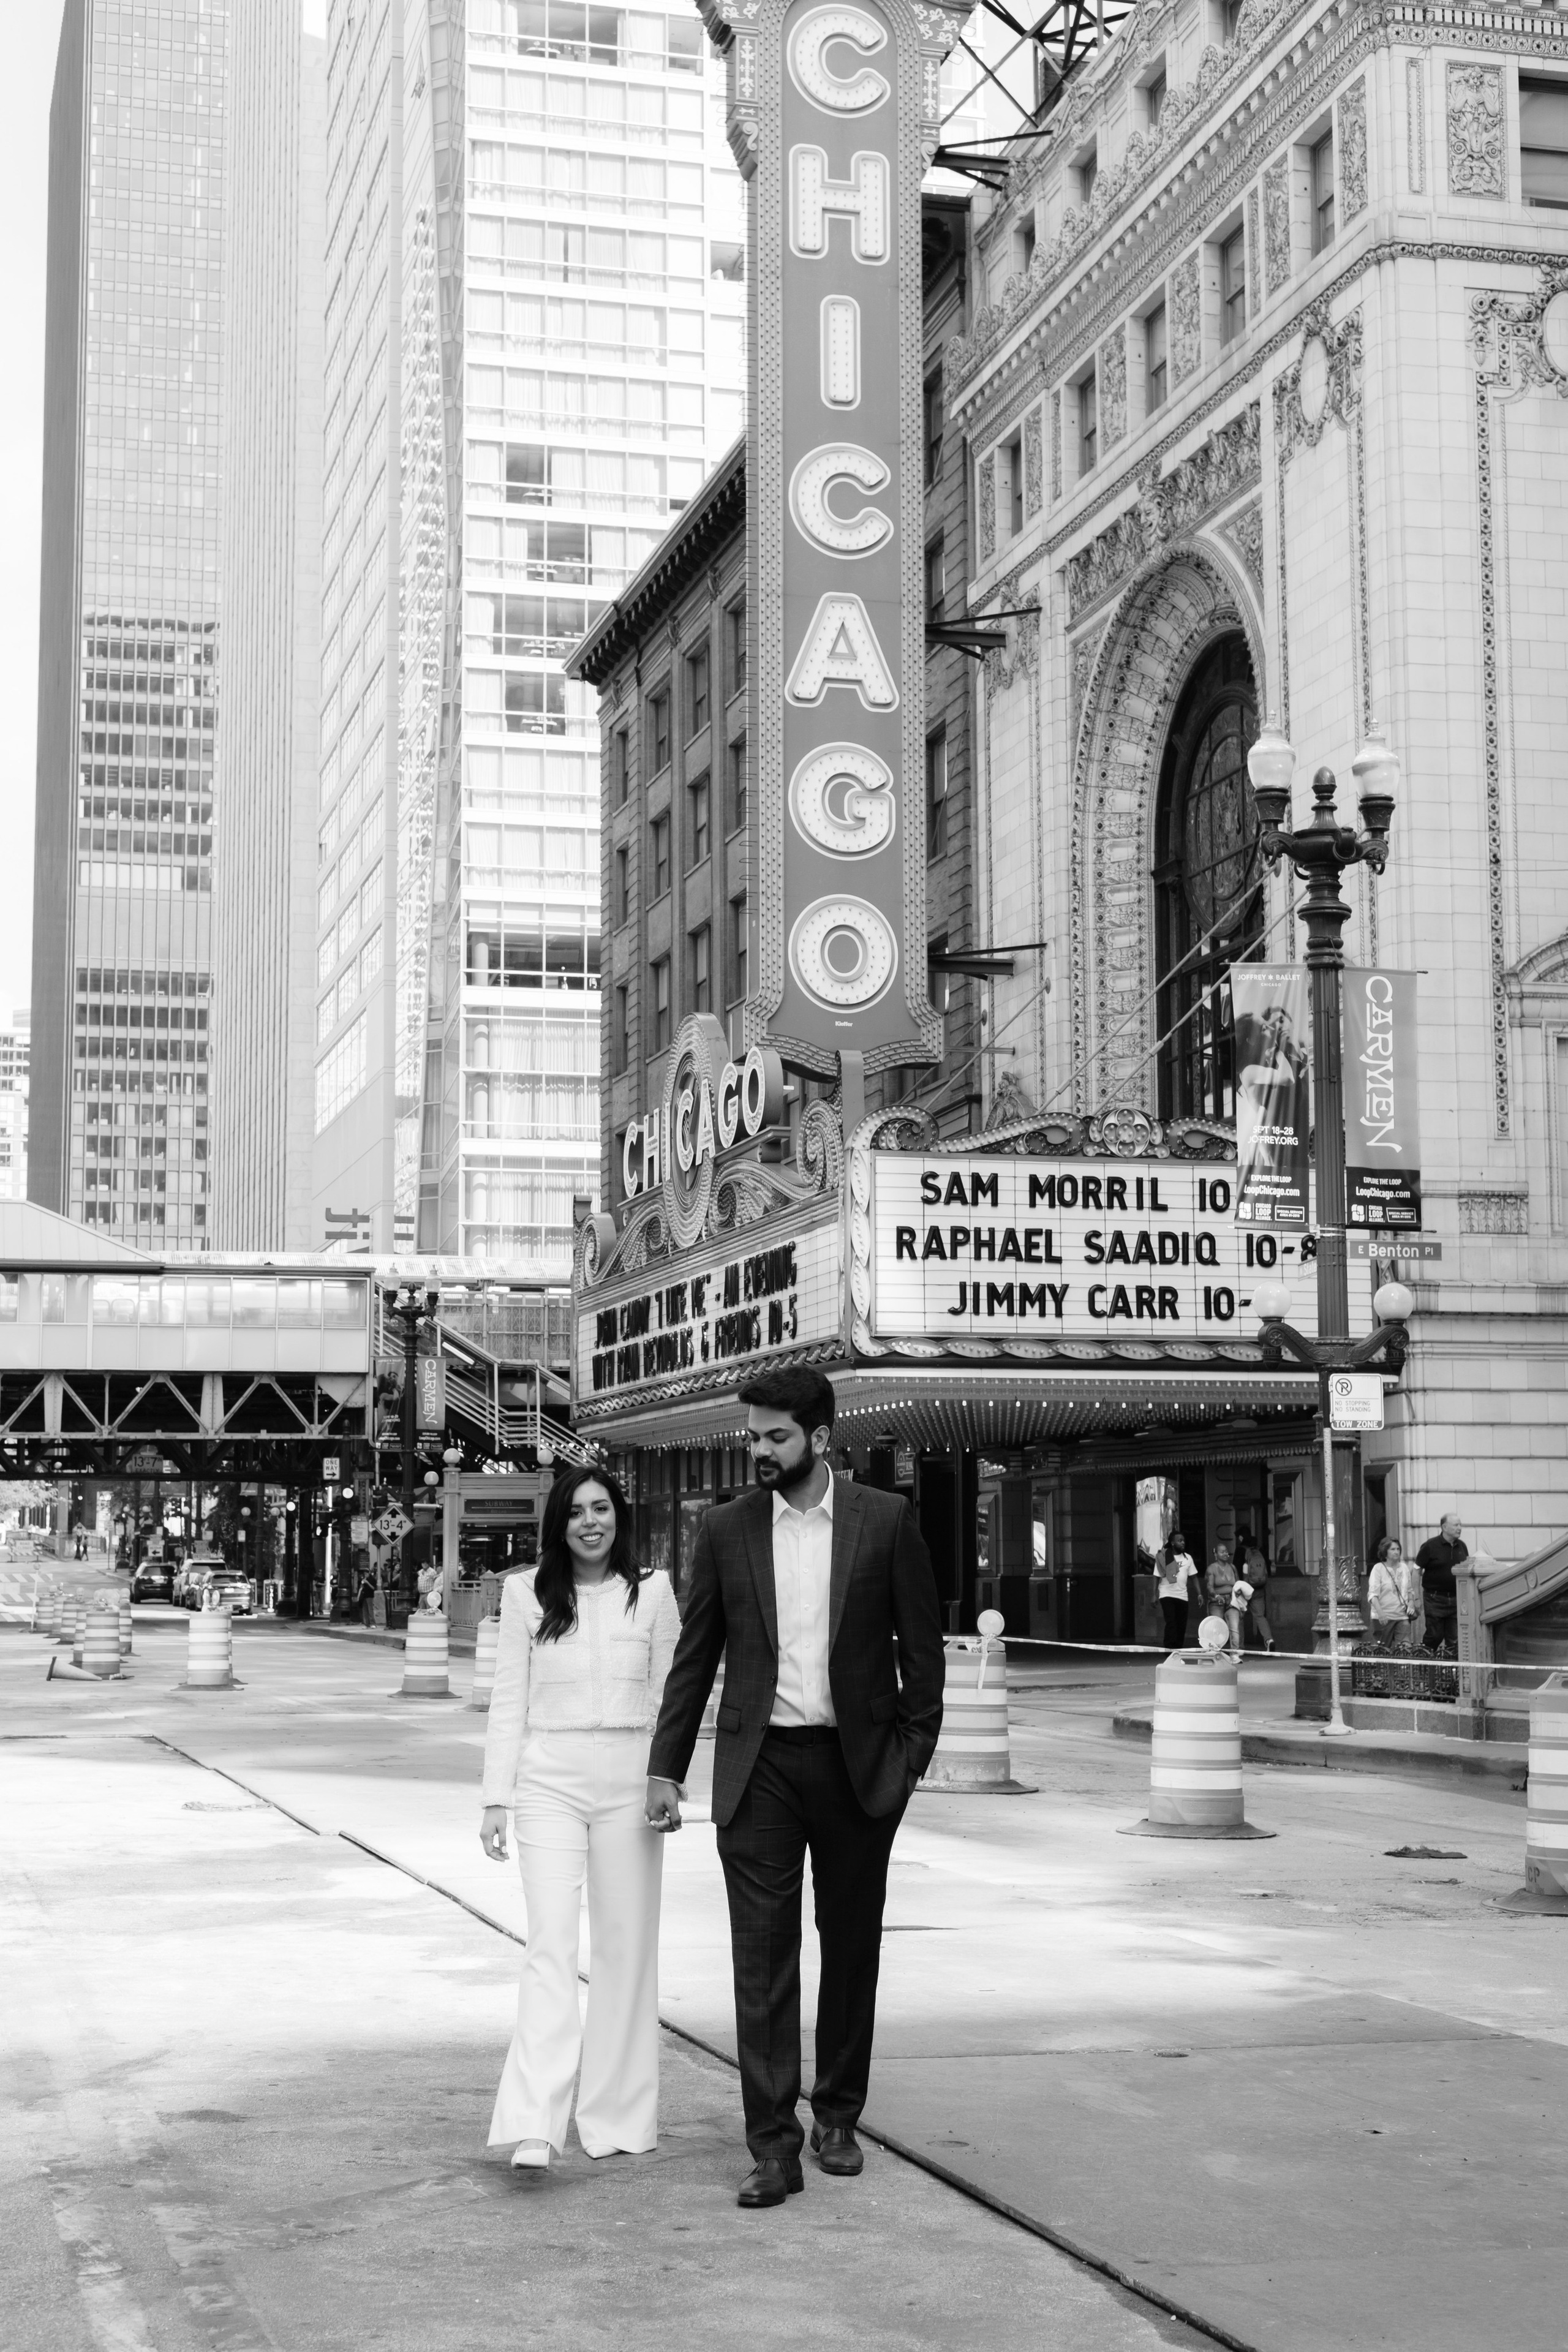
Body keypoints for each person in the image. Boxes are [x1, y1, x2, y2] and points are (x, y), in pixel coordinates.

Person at [645, 1366, 944, 2209]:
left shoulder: (884, 1521)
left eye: (775, 1436)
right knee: (763, 1958)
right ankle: (772, 2145)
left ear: (819, 1437)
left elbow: (923, 1654)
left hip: (858, 1770)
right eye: (753, 1436)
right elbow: (696, 1658)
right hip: (761, 1768)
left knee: (849, 1951)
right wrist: (666, 1766)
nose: (759, 1450)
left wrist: (907, 1763)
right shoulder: (726, 1528)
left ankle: (837, 2116)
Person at [479, 1465, 679, 2169]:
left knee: (626, 1950)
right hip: (549, 1782)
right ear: (558, 1524)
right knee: (551, 1947)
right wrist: (496, 1797)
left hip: (631, 1781)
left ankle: (617, 2119)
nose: (589, 1522)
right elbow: (509, 1698)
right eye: (575, 1512)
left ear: (619, 1515)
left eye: (600, 1508)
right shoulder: (526, 1592)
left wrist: (667, 1778)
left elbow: (672, 1695)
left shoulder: (653, 1591)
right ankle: (536, 2123)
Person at [1414, 1513, 1467, 1656]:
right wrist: (1416, 1598)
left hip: (1456, 1599)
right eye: (1456, 1525)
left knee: (1455, 1639)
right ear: (1444, 1527)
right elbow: (1416, 1571)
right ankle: (1423, 1663)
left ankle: (1451, 1667)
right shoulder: (1430, 1546)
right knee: (1435, 1635)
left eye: (1460, 1525)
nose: (1460, 1528)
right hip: (1435, 1599)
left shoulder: (1462, 1546)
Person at [1368, 1536, 1415, 1654]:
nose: (1396, 1552)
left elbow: (1409, 1590)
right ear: (1385, 1552)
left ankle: (1402, 1666)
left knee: (1404, 1650)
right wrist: (1380, 1613)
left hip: (1402, 1617)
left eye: (1398, 1549)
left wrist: (1411, 1602)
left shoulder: (1404, 1568)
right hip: (1384, 1617)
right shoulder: (1378, 1569)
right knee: (1382, 1651)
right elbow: (1373, 1595)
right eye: (1393, 1549)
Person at [1155, 1530, 1198, 1653]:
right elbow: (1156, 1576)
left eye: (1183, 1541)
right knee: (1171, 1623)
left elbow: (1194, 1577)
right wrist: (1154, 1594)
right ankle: (1169, 1650)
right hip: (1167, 1594)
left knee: (1181, 1625)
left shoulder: (1188, 1558)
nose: (1183, 1543)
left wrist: (1199, 1593)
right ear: (1173, 1543)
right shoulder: (1163, 1556)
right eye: (1180, 1541)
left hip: (1183, 1596)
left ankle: (1178, 1650)